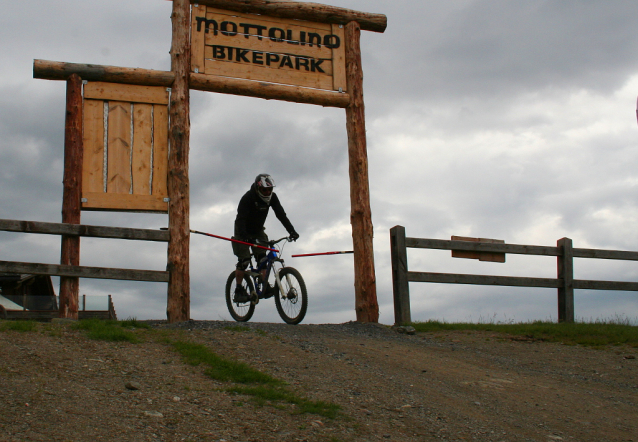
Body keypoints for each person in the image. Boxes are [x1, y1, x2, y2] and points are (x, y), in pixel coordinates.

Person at [232, 173, 299, 302]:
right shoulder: (247, 198)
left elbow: (281, 215)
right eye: (264, 190)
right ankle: (238, 290)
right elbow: (240, 219)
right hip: (242, 230)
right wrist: (244, 237)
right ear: (258, 188)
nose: (267, 192)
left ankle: (264, 285)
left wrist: (292, 231)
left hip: (257, 231)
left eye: (270, 189)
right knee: (244, 260)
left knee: (263, 259)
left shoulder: (272, 198)